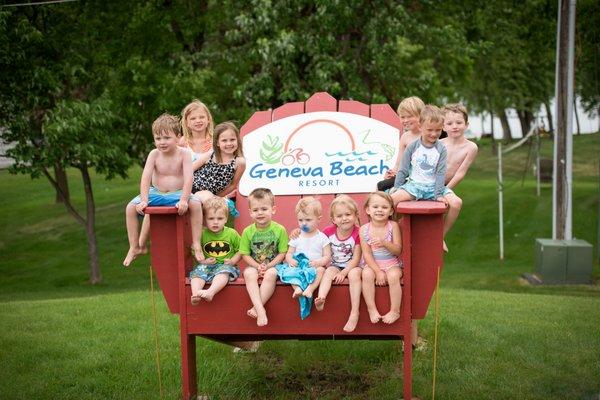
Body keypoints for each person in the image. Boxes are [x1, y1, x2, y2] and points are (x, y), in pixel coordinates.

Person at [123, 113, 203, 267]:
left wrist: (184, 200)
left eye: (167, 138)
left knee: (196, 205)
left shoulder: (184, 154)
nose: (162, 142)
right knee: (130, 208)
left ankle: (196, 243)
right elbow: (146, 178)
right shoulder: (154, 154)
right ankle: (135, 246)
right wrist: (144, 200)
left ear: (178, 137)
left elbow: (188, 178)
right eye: (158, 139)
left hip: (178, 194)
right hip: (156, 193)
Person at [314, 195, 363, 332]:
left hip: (355, 266)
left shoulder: (359, 233)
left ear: (355, 215)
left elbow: (356, 258)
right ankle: (321, 298)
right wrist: (298, 231)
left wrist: (344, 272)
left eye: (348, 214)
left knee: (354, 274)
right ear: (333, 219)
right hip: (335, 265)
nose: (344, 218)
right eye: (339, 216)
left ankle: (354, 312)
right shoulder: (328, 232)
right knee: (329, 271)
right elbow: (313, 237)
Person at [240, 188, 288, 326]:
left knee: (271, 274)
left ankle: (257, 309)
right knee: (248, 273)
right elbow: (245, 254)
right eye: (255, 210)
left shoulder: (279, 230)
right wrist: (257, 266)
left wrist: (269, 266)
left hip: (274, 265)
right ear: (250, 212)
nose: (259, 213)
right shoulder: (248, 232)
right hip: (255, 265)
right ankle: (261, 311)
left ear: (273, 210)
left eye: (264, 209)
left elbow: (282, 253)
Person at [360, 192, 403, 324]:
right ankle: (371, 309)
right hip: (373, 264)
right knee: (366, 274)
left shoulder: (392, 226)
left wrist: (385, 243)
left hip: (392, 263)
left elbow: (398, 250)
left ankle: (395, 311)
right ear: (368, 210)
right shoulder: (364, 229)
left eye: (384, 207)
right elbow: (366, 254)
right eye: (375, 207)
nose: (379, 210)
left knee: (393, 276)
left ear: (390, 211)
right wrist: (378, 272)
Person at [439, 103, 478, 248]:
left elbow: (460, 173)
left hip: (446, 186)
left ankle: (440, 236)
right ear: (443, 127)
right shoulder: (439, 144)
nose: (454, 126)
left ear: (466, 125)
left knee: (456, 203)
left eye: (459, 122)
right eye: (449, 123)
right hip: (429, 183)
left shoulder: (471, 147)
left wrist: (444, 190)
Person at [189, 197, 241, 304]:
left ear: (226, 219)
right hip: (207, 265)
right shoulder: (202, 234)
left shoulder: (231, 234)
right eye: (211, 218)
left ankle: (210, 292)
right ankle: (195, 294)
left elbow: (241, 250)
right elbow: (196, 251)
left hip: (226, 266)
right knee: (197, 273)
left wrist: (232, 261)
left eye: (220, 218)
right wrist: (203, 261)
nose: (215, 222)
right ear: (204, 219)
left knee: (223, 273)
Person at [282, 197, 331, 299]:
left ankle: (310, 289)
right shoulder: (296, 236)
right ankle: (297, 288)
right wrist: (290, 260)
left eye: (308, 220)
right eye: (300, 220)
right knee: (288, 271)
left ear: (319, 219)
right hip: (299, 268)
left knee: (321, 270)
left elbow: (327, 256)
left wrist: (318, 263)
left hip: (314, 268)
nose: (304, 223)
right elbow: (289, 253)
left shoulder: (322, 237)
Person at [377, 96, 425, 192]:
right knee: (380, 186)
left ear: (421, 115)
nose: (405, 120)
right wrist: (392, 173)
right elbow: (399, 164)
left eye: (410, 116)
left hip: (421, 178)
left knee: (393, 191)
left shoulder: (427, 135)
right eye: (402, 117)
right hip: (404, 176)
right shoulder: (405, 137)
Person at [191, 121, 246, 201]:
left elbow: (233, 185)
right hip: (193, 189)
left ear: (237, 140)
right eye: (224, 140)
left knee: (212, 203)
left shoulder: (240, 162)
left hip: (211, 195)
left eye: (232, 139)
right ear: (217, 143)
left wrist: (216, 198)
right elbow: (189, 170)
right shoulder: (210, 156)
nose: (229, 143)